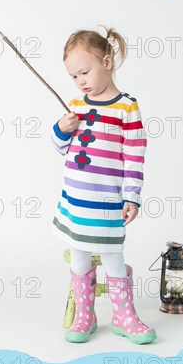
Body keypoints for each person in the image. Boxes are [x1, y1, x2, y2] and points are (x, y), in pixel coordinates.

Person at [50, 27, 156, 345]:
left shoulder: (126, 108)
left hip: (107, 201)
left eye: (85, 71)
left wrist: (133, 197)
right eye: (74, 76)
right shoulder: (75, 106)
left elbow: (135, 157)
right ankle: (86, 314)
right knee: (80, 255)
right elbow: (59, 147)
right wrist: (61, 128)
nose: (81, 81)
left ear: (107, 62)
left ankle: (124, 315)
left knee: (112, 255)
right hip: (76, 199)